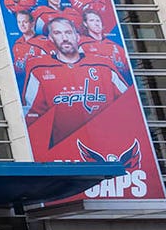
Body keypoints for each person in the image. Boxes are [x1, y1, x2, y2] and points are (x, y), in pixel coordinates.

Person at [24, 17, 129, 146]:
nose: (64, 38)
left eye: (68, 32)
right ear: (51, 39)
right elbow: (32, 116)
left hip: (108, 144)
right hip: (65, 149)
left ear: (77, 37)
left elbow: (128, 104)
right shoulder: (39, 69)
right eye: (58, 33)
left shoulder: (103, 64)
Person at [78, 9, 134, 84]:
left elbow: (128, 71)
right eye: (92, 20)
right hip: (96, 87)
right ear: (85, 23)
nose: (96, 24)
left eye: (98, 21)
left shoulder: (116, 47)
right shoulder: (81, 45)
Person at [11, 10, 55, 95]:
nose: (22, 25)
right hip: (21, 89)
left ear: (32, 23)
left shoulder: (44, 42)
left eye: (25, 22)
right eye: (19, 22)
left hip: (39, 89)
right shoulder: (17, 44)